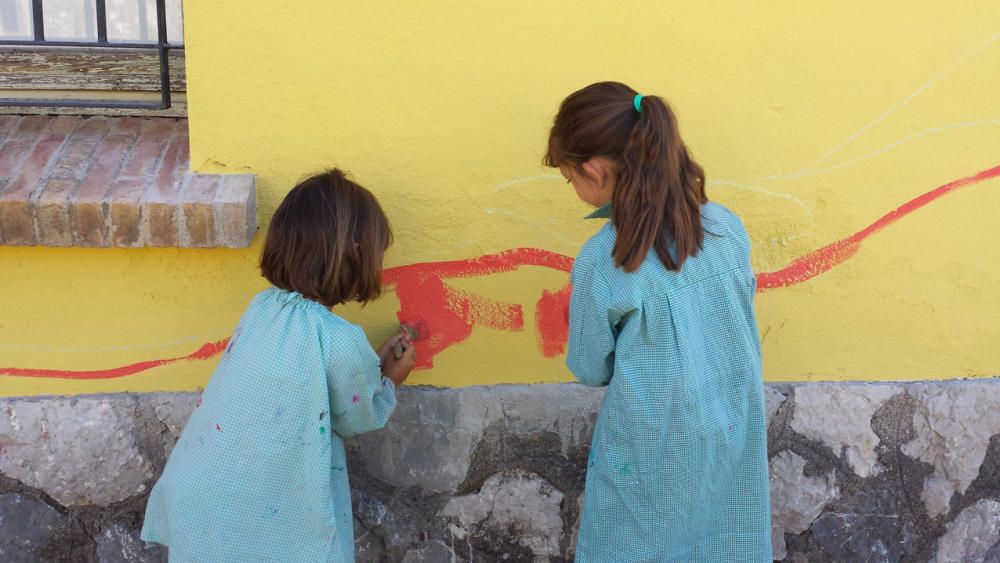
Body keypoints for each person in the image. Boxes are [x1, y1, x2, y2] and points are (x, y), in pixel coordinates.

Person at [545, 81, 771, 561]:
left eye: (570, 179)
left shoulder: (604, 260)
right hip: (729, 429)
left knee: (634, 544)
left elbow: (589, 368)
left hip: (651, 446)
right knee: (724, 539)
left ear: (594, 171)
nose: (574, 189)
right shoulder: (727, 228)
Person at [141, 169, 416, 562]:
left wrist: (369, 363)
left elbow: (309, 385)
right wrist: (390, 379)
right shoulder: (339, 337)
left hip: (207, 494)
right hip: (266, 519)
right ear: (354, 253)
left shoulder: (263, 307)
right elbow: (358, 414)